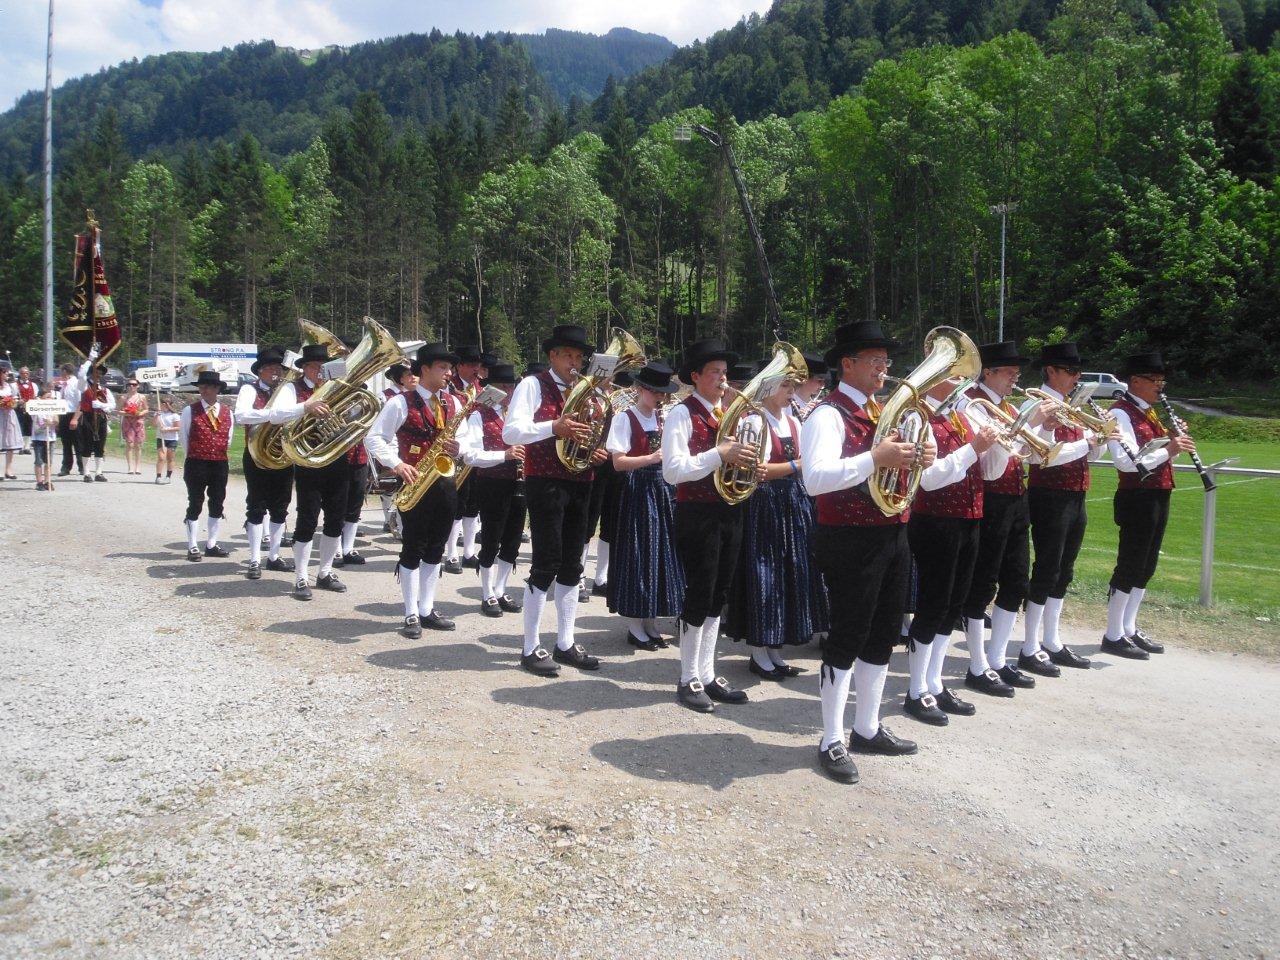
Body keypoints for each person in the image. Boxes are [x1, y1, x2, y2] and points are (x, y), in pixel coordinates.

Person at [801, 320, 937, 784]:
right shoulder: (826, 415)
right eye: (875, 360)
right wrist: (875, 459)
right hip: (848, 538)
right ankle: (831, 738)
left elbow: (896, 473)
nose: (884, 367)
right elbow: (815, 479)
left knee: (882, 635)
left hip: (892, 532)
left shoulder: (884, 412)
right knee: (848, 634)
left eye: (885, 360)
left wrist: (919, 460)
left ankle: (867, 727)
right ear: (848, 364)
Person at [901, 375, 1007, 727]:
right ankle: (916, 689)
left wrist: (999, 445)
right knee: (933, 605)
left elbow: (989, 474)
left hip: (969, 518)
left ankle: (934, 681)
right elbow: (929, 479)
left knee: (953, 605)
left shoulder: (961, 415)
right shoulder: (917, 417)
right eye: (955, 374)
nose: (963, 380)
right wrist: (973, 448)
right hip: (935, 520)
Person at [502, 324, 608, 676]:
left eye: (579, 357)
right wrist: (553, 427)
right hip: (545, 480)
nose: (574, 362)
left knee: (573, 565)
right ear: (552, 355)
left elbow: (591, 434)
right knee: (546, 562)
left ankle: (565, 642)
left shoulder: (586, 392)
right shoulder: (533, 385)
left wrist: (596, 450)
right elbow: (511, 432)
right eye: (568, 355)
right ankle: (530, 646)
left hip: (581, 479)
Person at [662, 338, 759, 712]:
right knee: (699, 593)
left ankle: (707, 672)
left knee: (719, 594)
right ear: (695, 377)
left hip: (731, 509)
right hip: (697, 512)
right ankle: (687, 677)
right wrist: (718, 454)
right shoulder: (681, 414)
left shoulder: (732, 414)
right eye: (715, 372)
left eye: (724, 372)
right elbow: (673, 471)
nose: (723, 379)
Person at [957, 341, 1059, 696]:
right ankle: (977, 665)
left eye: (1017, 372)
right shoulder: (972, 405)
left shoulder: (1008, 407)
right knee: (982, 583)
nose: (1016, 378)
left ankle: (998, 659)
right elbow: (990, 465)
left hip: (1016, 499)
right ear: (989, 372)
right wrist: (1027, 421)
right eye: (1010, 372)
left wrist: (1045, 428)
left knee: (1016, 581)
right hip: (989, 501)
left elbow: (1032, 454)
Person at [725, 370, 829, 677]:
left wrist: (799, 466)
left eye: (793, 386)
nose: (791, 391)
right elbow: (758, 471)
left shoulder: (794, 421)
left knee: (788, 572)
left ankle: (775, 650)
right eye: (785, 386)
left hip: (792, 501)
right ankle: (759, 652)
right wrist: (798, 464)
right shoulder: (753, 421)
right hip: (765, 503)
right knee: (765, 573)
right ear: (769, 388)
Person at [366, 342, 471, 638]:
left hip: (445, 482)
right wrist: (397, 464)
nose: (449, 373)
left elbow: (467, 438)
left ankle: (427, 608)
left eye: (450, 368)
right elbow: (374, 438)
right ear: (424, 369)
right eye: (443, 367)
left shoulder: (454, 403)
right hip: (414, 481)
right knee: (414, 546)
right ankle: (410, 612)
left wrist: (460, 446)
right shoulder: (400, 402)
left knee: (436, 547)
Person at [1100, 350, 1196, 660]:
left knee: (1147, 564)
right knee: (1130, 563)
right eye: (1154, 380)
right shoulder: (1119, 413)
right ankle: (1113, 634)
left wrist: (1172, 440)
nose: (1160, 386)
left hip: (1158, 493)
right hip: (1136, 496)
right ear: (1135, 381)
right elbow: (1126, 462)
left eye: (1161, 380)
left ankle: (1129, 627)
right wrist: (1170, 449)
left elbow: (1152, 452)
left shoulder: (1149, 411)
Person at [1018, 343, 1102, 670]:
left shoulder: (1071, 405)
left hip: (1076, 493)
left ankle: (1051, 639)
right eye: (1071, 371)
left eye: (1078, 372)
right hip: (1049, 494)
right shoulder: (1034, 404)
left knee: (1065, 569)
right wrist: (1086, 442)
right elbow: (1043, 456)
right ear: (1051, 371)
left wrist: (1102, 437)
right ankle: (1029, 645)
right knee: (1047, 567)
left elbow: (1091, 454)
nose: (1076, 377)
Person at [606, 361, 683, 650]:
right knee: (639, 554)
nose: (660, 397)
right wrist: (651, 458)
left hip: (662, 490)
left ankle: (650, 622)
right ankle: (635, 626)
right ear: (640, 389)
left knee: (659, 554)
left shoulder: (664, 418)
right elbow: (618, 462)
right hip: (638, 490)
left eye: (662, 393)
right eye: (654, 391)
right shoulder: (625, 418)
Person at [271, 343, 347, 600]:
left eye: (323, 367)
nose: (320, 371)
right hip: (308, 460)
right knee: (308, 518)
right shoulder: (292, 388)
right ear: (304, 367)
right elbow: (275, 415)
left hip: (337, 458)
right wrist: (305, 407)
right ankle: (301, 577)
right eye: (315, 367)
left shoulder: (337, 387)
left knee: (336, 518)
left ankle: (325, 572)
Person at [459, 362, 527, 618]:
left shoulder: (520, 416)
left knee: (512, 540)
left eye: (511, 386)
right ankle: (487, 592)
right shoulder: (479, 415)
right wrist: (505, 455)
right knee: (491, 539)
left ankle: (500, 589)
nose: (508, 391)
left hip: (519, 484)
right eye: (503, 387)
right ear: (492, 389)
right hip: (492, 483)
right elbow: (471, 455)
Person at [234, 345, 296, 580]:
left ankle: (274, 556)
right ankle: (254, 559)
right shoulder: (249, 389)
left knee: (280, 506)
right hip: (256, 455)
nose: (276, 372)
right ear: (260, 371)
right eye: (270, 368)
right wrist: (272, 414)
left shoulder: (286, 391)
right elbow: (241, 415)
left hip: (282, 454)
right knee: (257, 506)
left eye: (278, 368)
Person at [179, 371, 235, 561]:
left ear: (217, 389)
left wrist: (217, 452)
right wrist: (194, 455)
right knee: (195, 501)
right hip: (196, 462)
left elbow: (228, 439)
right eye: (202, 387)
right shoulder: (189, 411)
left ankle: (211, 543)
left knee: (217, 502)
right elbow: (184, 437)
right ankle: (192, 545)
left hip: (219, 463)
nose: (204, 390)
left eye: (209, 387)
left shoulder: (227, 412)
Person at [444, 344, 485, 574]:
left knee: (473, 504)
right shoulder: (451, 386)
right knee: (456, 504)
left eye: (477, 365)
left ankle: (469, 552)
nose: (476, 369)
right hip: (456, 448)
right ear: (459, 366)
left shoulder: (479, 386)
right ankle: (451, 554)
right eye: (471, 365)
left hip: (476, 447)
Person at [71, 363, 115, 482]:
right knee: (87, 445)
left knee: (100, 446)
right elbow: (81, 375)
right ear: (91, 373)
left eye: (100, 373)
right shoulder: (84, 386)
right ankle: (86, 473)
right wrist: (89, 360)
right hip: (88, 418)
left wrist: (101, 405)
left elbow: (112, 405)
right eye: (96, 372)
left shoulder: (104, 389)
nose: (98, 375)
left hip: (101, 418)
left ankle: (99, 472)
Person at [57, 362, 85, 477]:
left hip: (74, 414)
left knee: (78, 443)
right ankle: (66, 467)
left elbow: (81, 403)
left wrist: (75, 419)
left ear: (65, 371)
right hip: (64, 414)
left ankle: (82, 466)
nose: (60, 374)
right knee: (66, 443)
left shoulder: (77, 383)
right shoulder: (64, 385)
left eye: (61, 371)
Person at [30, 385, 58, 489]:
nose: (50, 399)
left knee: (48, 461)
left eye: (51, 397)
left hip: (50, 438)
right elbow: (36, 421)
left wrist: (52, 422)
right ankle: (39, 482)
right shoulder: (36, 409)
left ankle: (47, 481)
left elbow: (56, 420)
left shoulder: (53, 409)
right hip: (39, 438)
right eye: (47, 397)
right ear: (41, 398)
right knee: (39, 461)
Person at [120, 377, 149, 475]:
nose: (132, 386)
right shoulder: (124, 397)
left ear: (138, 386)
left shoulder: (142, 397)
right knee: (130, 444)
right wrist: (128, 413)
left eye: (134, 384)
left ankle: (138, 467)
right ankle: (130, 467)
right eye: (130, 384)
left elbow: (146, 409)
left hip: (138, 422)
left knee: (138, 445)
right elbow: (119, 410)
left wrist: (139, 413)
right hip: (128, 422)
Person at [791, 352, 828, 421]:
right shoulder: (787, 402)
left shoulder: (816, 405)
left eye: (824, 381)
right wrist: (796, 419)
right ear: (805, 379)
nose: (823, 385)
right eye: (819, 380)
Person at [0, 369, 23, 478]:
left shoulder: (10, 386)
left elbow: (15, 400)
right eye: (5, 373)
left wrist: (14, 403)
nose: (7, 375)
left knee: (10, 443)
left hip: (9, 415)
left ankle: (8, 470)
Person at [154, 397, 181, 483]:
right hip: (161, 438)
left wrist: (167, 429)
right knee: (161, 458)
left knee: (170, 458)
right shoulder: (158, 414)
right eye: (162, 403)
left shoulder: (174, 415)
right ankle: (158, 477)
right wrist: (157, 416)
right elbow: (154, 424)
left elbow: (178, 428)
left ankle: (168, 477)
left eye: (165, 404)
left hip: (172, 439)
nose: (163, 405)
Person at [16, 366, 37, 454]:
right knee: (20, 427)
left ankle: (27, 447)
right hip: (19, 408)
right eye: (23, 373)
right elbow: (13, 397)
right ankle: (20, 446)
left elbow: (35, 396)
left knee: (29, 426)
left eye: (26, 373)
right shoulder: (15, 385)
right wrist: (18, 401)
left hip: (30, 409)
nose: (25, 375)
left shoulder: (34, 385)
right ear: (20, 374)